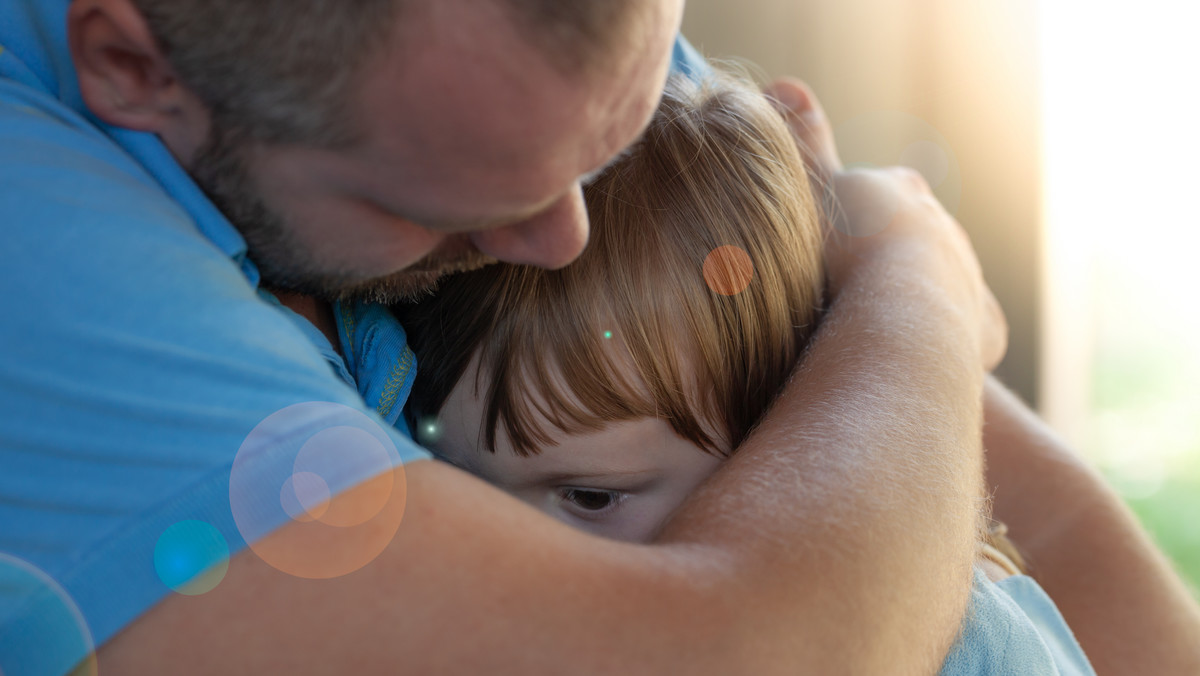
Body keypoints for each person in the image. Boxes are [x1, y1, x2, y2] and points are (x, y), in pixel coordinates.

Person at [5, 0, 1180, 674]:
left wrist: (879, 282)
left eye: (602, 152)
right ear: (129, 67)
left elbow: (1109, 601)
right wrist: (916, 269)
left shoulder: (507, 59)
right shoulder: (41, 261)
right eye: (447, 202)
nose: (568, 237)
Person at [398, 70, 1094, 675]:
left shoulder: (969, 646)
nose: (509, 556)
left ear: (785, 431)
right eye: (461, 478)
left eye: (588, 497)